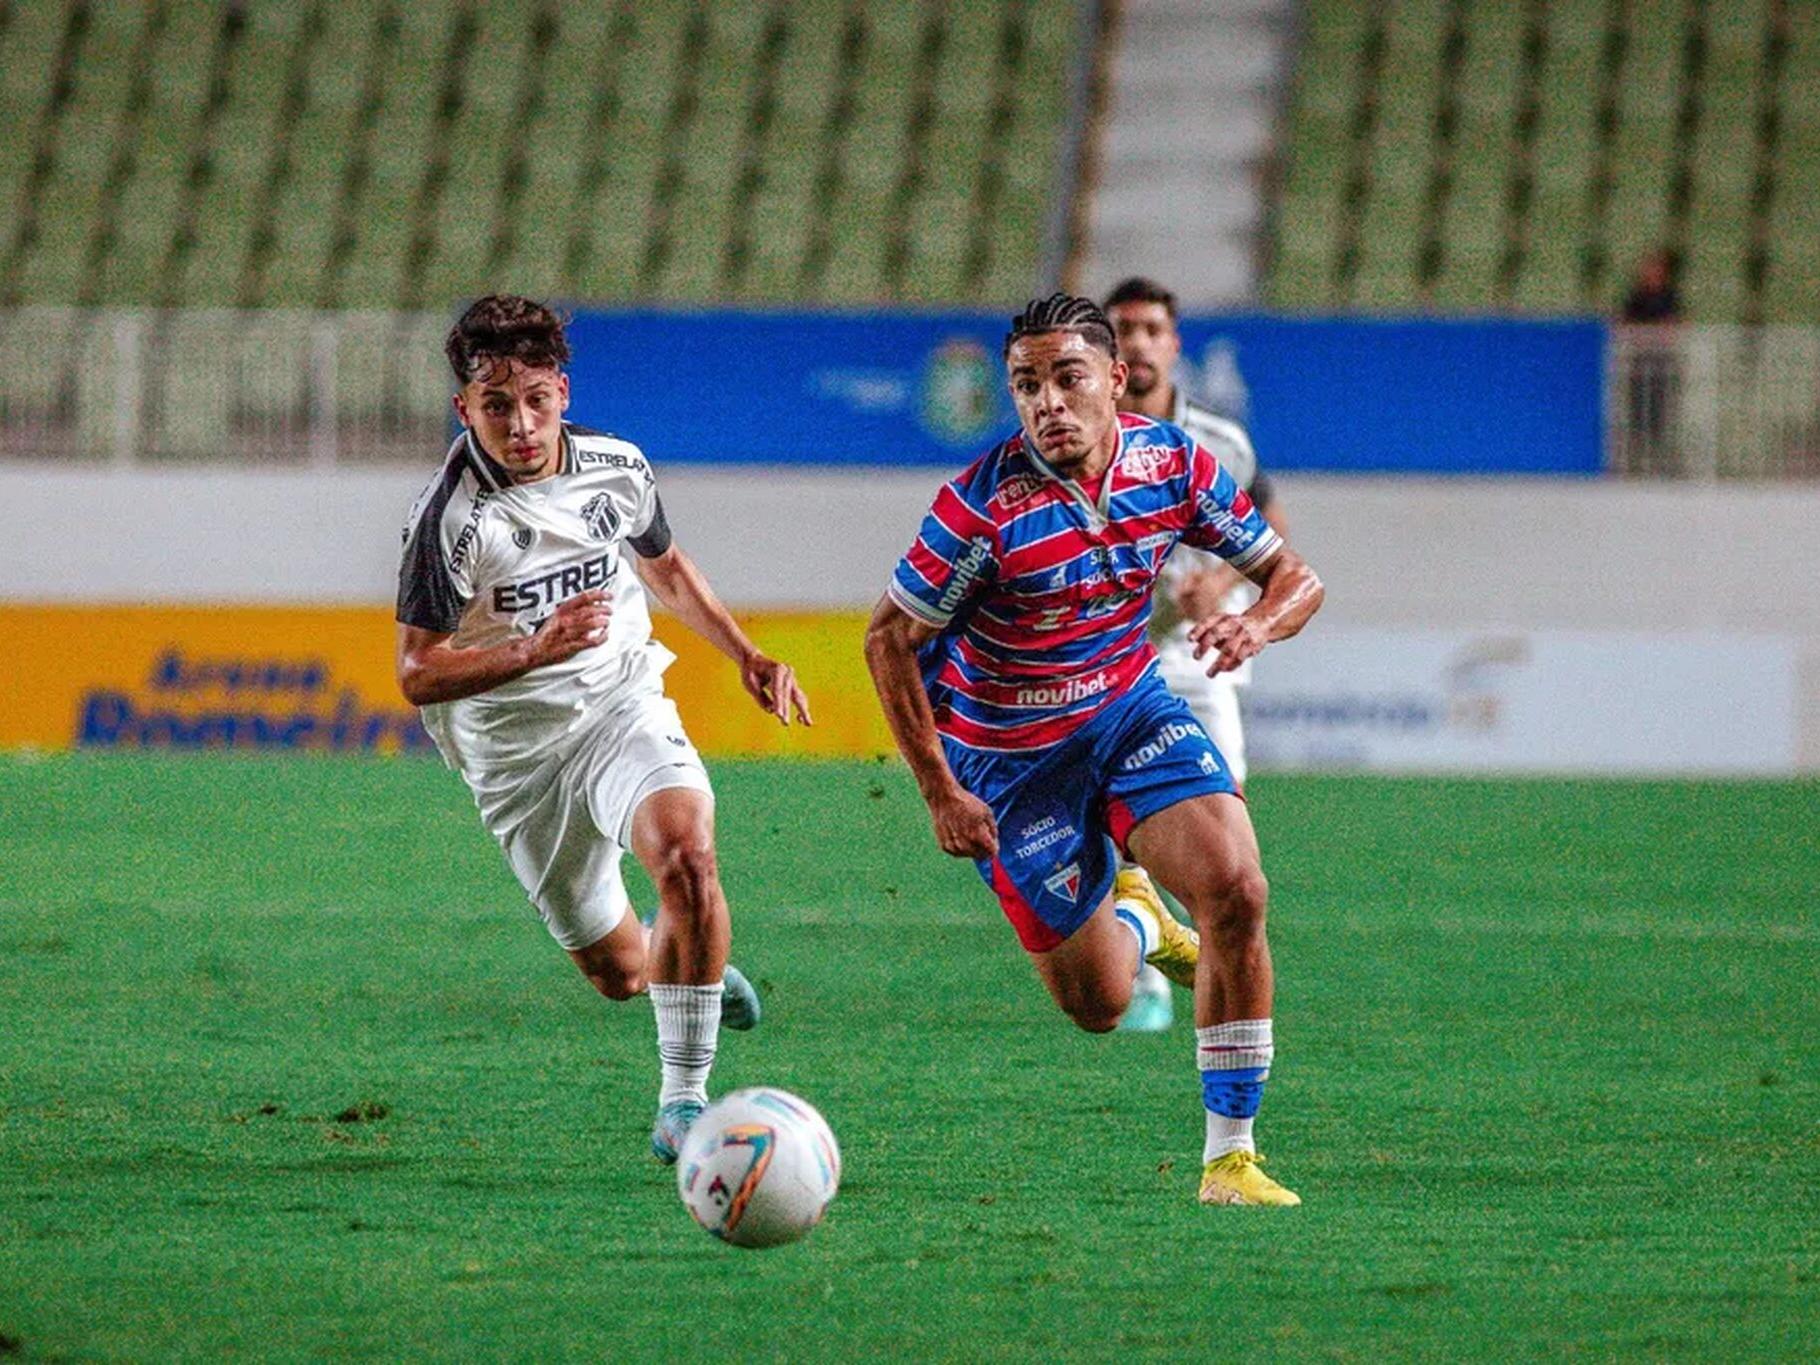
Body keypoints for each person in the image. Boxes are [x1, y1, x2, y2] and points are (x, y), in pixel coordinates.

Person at [864, 294, 1324, 1206]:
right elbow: (886, 641)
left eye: (1067, 378)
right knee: (1099, 1006)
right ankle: (1143, 922)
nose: (1047, 402)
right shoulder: (978, 509)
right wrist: (938, 791)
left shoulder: (1175, 464)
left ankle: (1229, 1157)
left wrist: (1257, 627)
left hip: (1126, 710)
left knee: (1238, 888)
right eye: (1026, 385)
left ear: (1118, 381)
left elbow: (1294, 577)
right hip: (1011, 760)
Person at [394, 295, 811, 1163]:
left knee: (688, 851)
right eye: (498, 405)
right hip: (514, 757)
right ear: (463, 408)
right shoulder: (449, 520)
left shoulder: (616, 467)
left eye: (538, 399)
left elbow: (664, 566)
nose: (522, 423)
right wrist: (537, 648)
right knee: (622, 974)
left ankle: (684, 1099)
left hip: (622, 703)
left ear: (564, 392)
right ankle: (684, 963)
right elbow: (417, 671)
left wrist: (747, 653)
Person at [1103, 276, 1290, 1032]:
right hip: (1119, 656)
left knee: (1221, 815)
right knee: (1119, 817)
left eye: (1152, 328)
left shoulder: (1223, 443)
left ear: (1175, 343)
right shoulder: (1084, 437)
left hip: (1203, 652)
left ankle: (1197, 942)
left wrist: (1219, 576)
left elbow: (1265, 519)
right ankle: (1144, 964)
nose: (1139, 342)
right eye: (1124, 328)